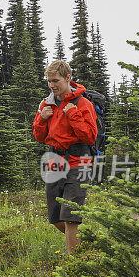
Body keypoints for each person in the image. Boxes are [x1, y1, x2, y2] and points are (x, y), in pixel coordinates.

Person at [32, 60, 98, 254]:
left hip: (79, 161)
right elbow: (39, 137)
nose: (52, 85)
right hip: (54, 161)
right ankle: (85, 243)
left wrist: (74, 115)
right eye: (48, 81)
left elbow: (90, 136)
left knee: (71, 216)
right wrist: (42, 119)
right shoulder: (46, 103)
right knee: (56, 217)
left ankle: (74, 266)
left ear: (68, 78)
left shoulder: (83, 104)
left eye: (55, 80)